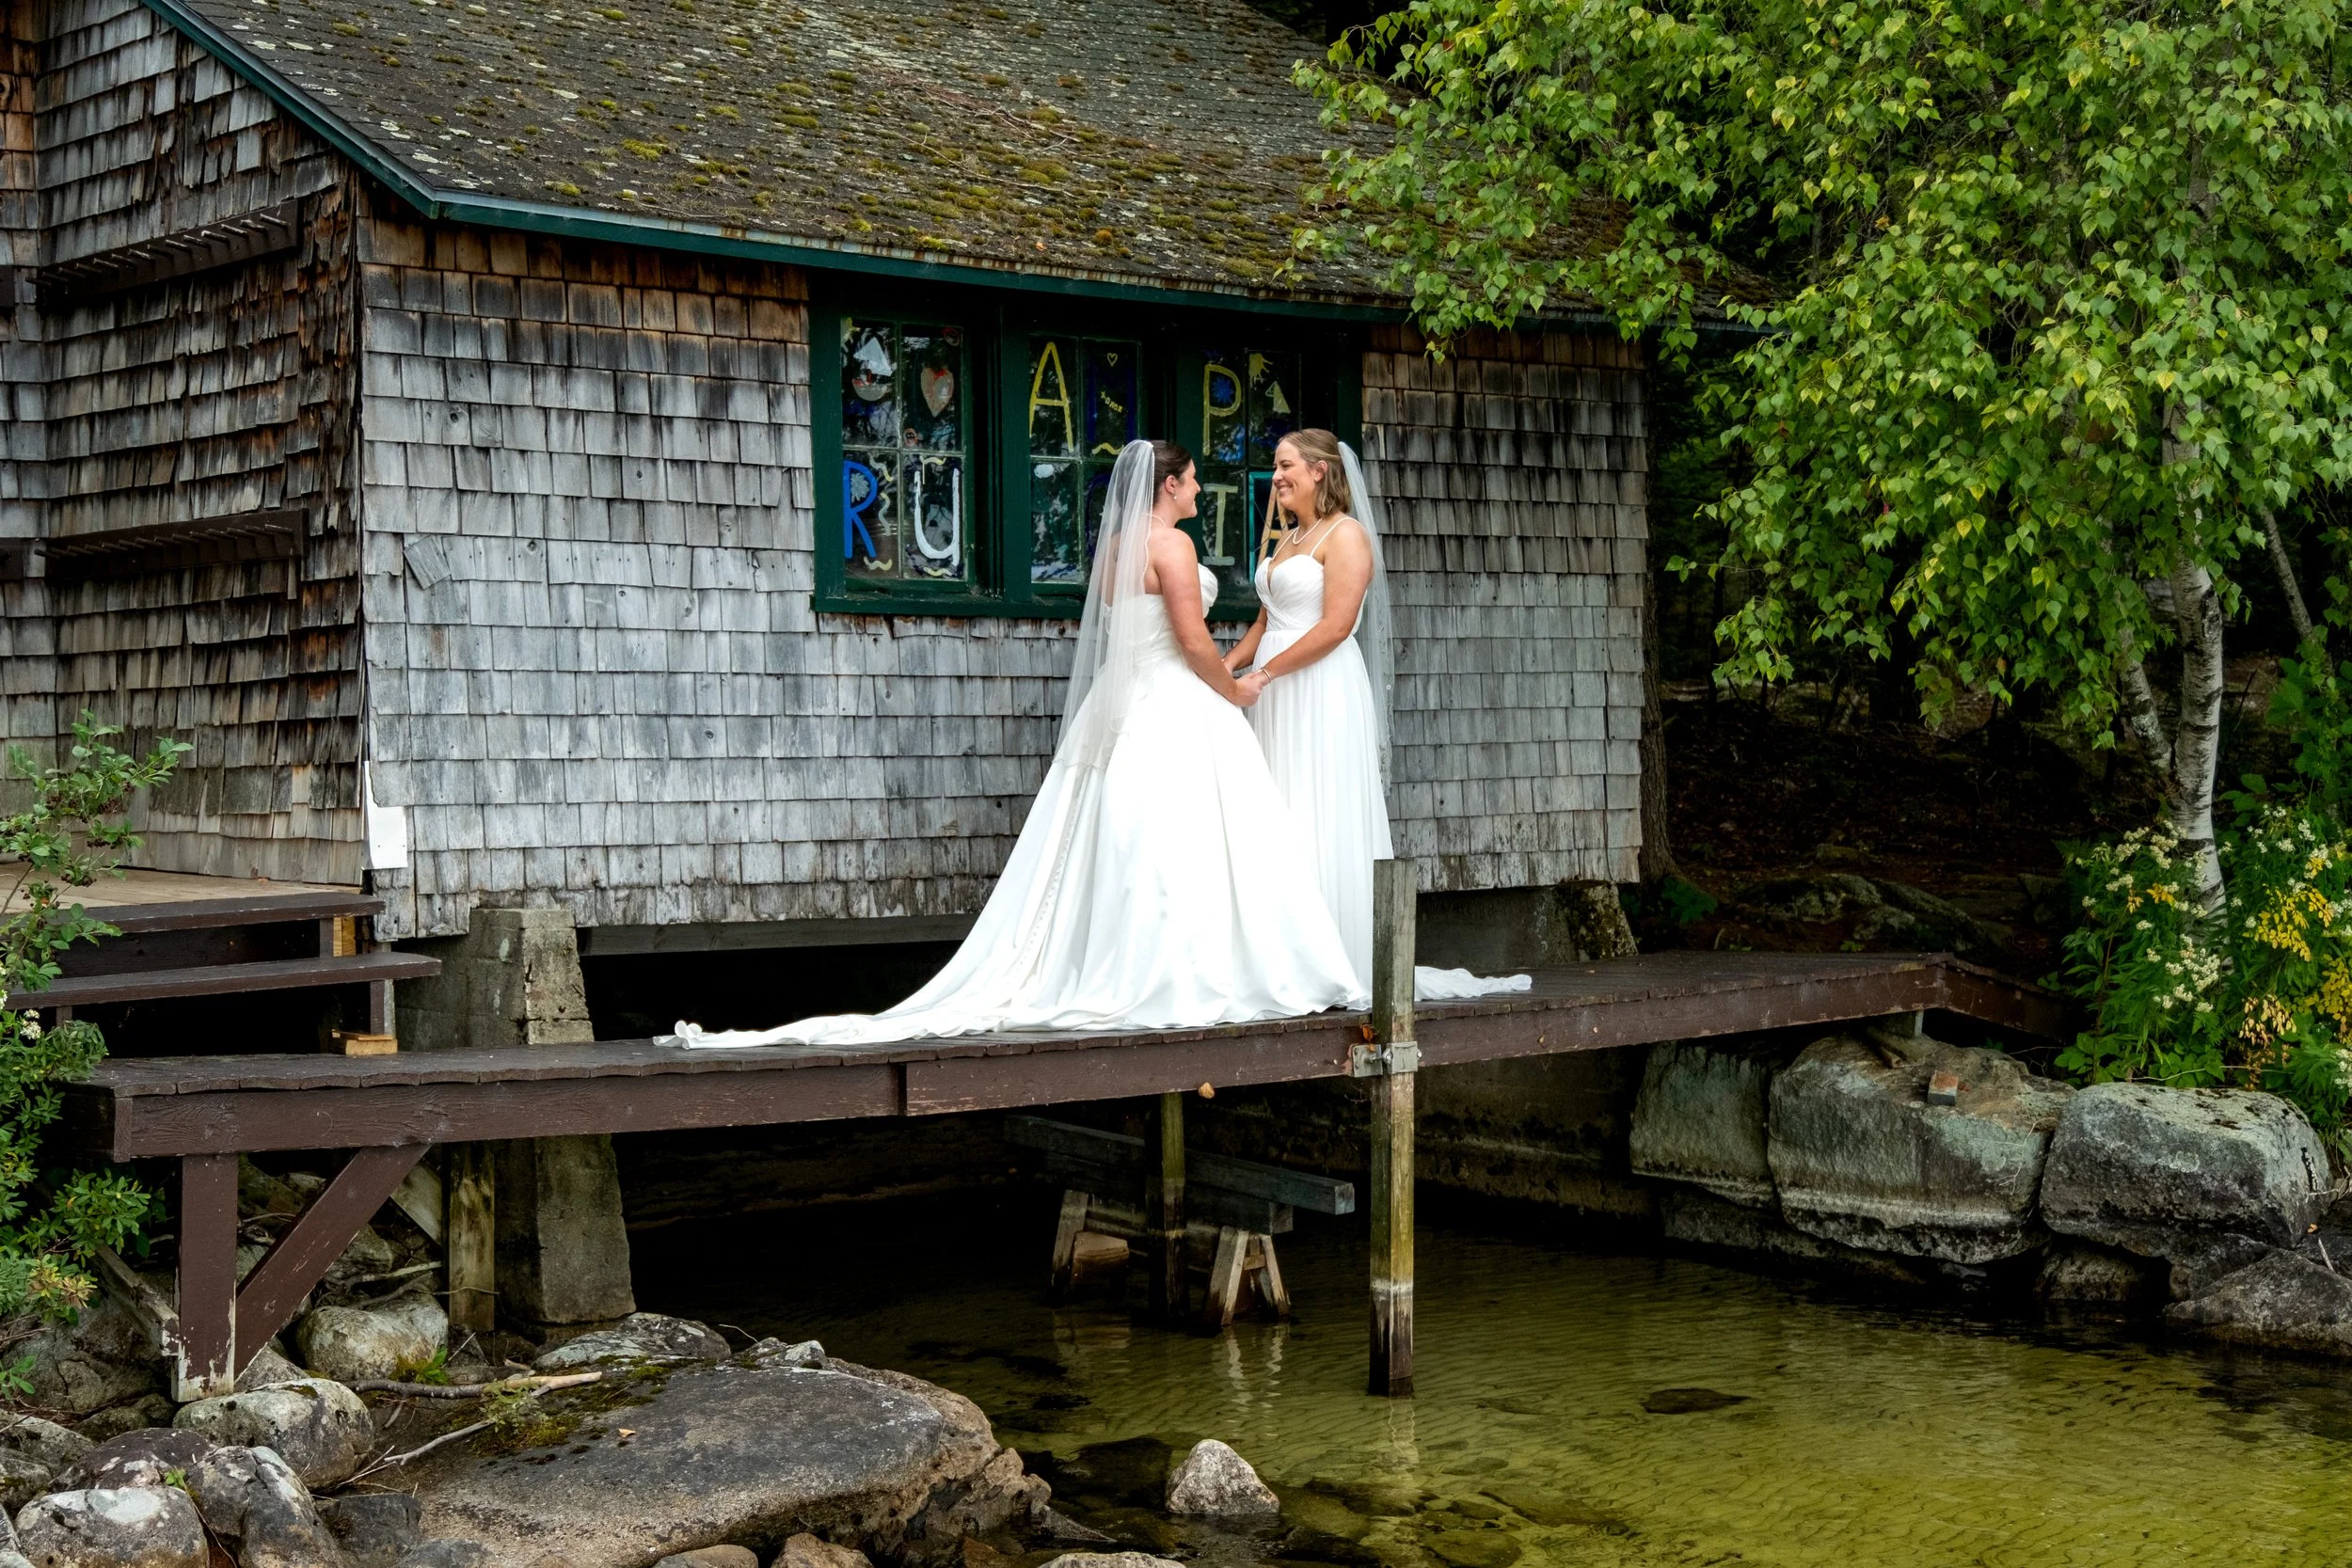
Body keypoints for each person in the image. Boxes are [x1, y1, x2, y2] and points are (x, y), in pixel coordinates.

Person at [671, 439, 1363, 1048]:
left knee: (1126, 834)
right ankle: (1191, 966)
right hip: (1178, 696)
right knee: (1190, 837)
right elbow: (1188, 641)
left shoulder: (1119, 545)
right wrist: (1233, 688)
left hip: (1123, 702)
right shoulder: (1173, 545)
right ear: (1169, 487)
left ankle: (1118, 958)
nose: (1193, 491)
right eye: (1187, 482)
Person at [1226, 428, 1528, 1001]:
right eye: (1276, 465)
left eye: (1287, 464)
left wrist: (1264, 674)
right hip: (1273, 695)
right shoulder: (1287, 539)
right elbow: (1265, 621)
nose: (1278, 475)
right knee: (1277, 808)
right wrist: (1227, 668)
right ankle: (1278, 949)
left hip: (1317, 690)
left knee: (1316, 805)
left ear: (1319, 470)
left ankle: (1330, 954)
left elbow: (1337, 627)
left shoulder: (1346, 536)